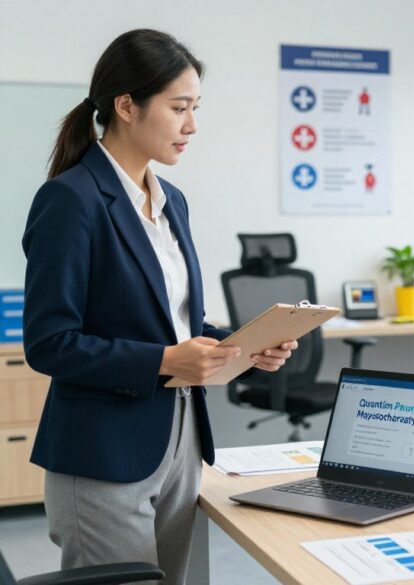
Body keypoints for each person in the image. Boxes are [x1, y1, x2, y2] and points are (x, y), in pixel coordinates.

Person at [21, 29, 298, 584]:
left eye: (195, 107)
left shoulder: (173, 202)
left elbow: (175, 322)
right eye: (179, 108)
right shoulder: (71, 200)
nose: (192, 125)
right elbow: (50, 343)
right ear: (126, 106)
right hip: (103, 450)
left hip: (180, 439)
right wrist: (166, 361)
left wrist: (241, 342)